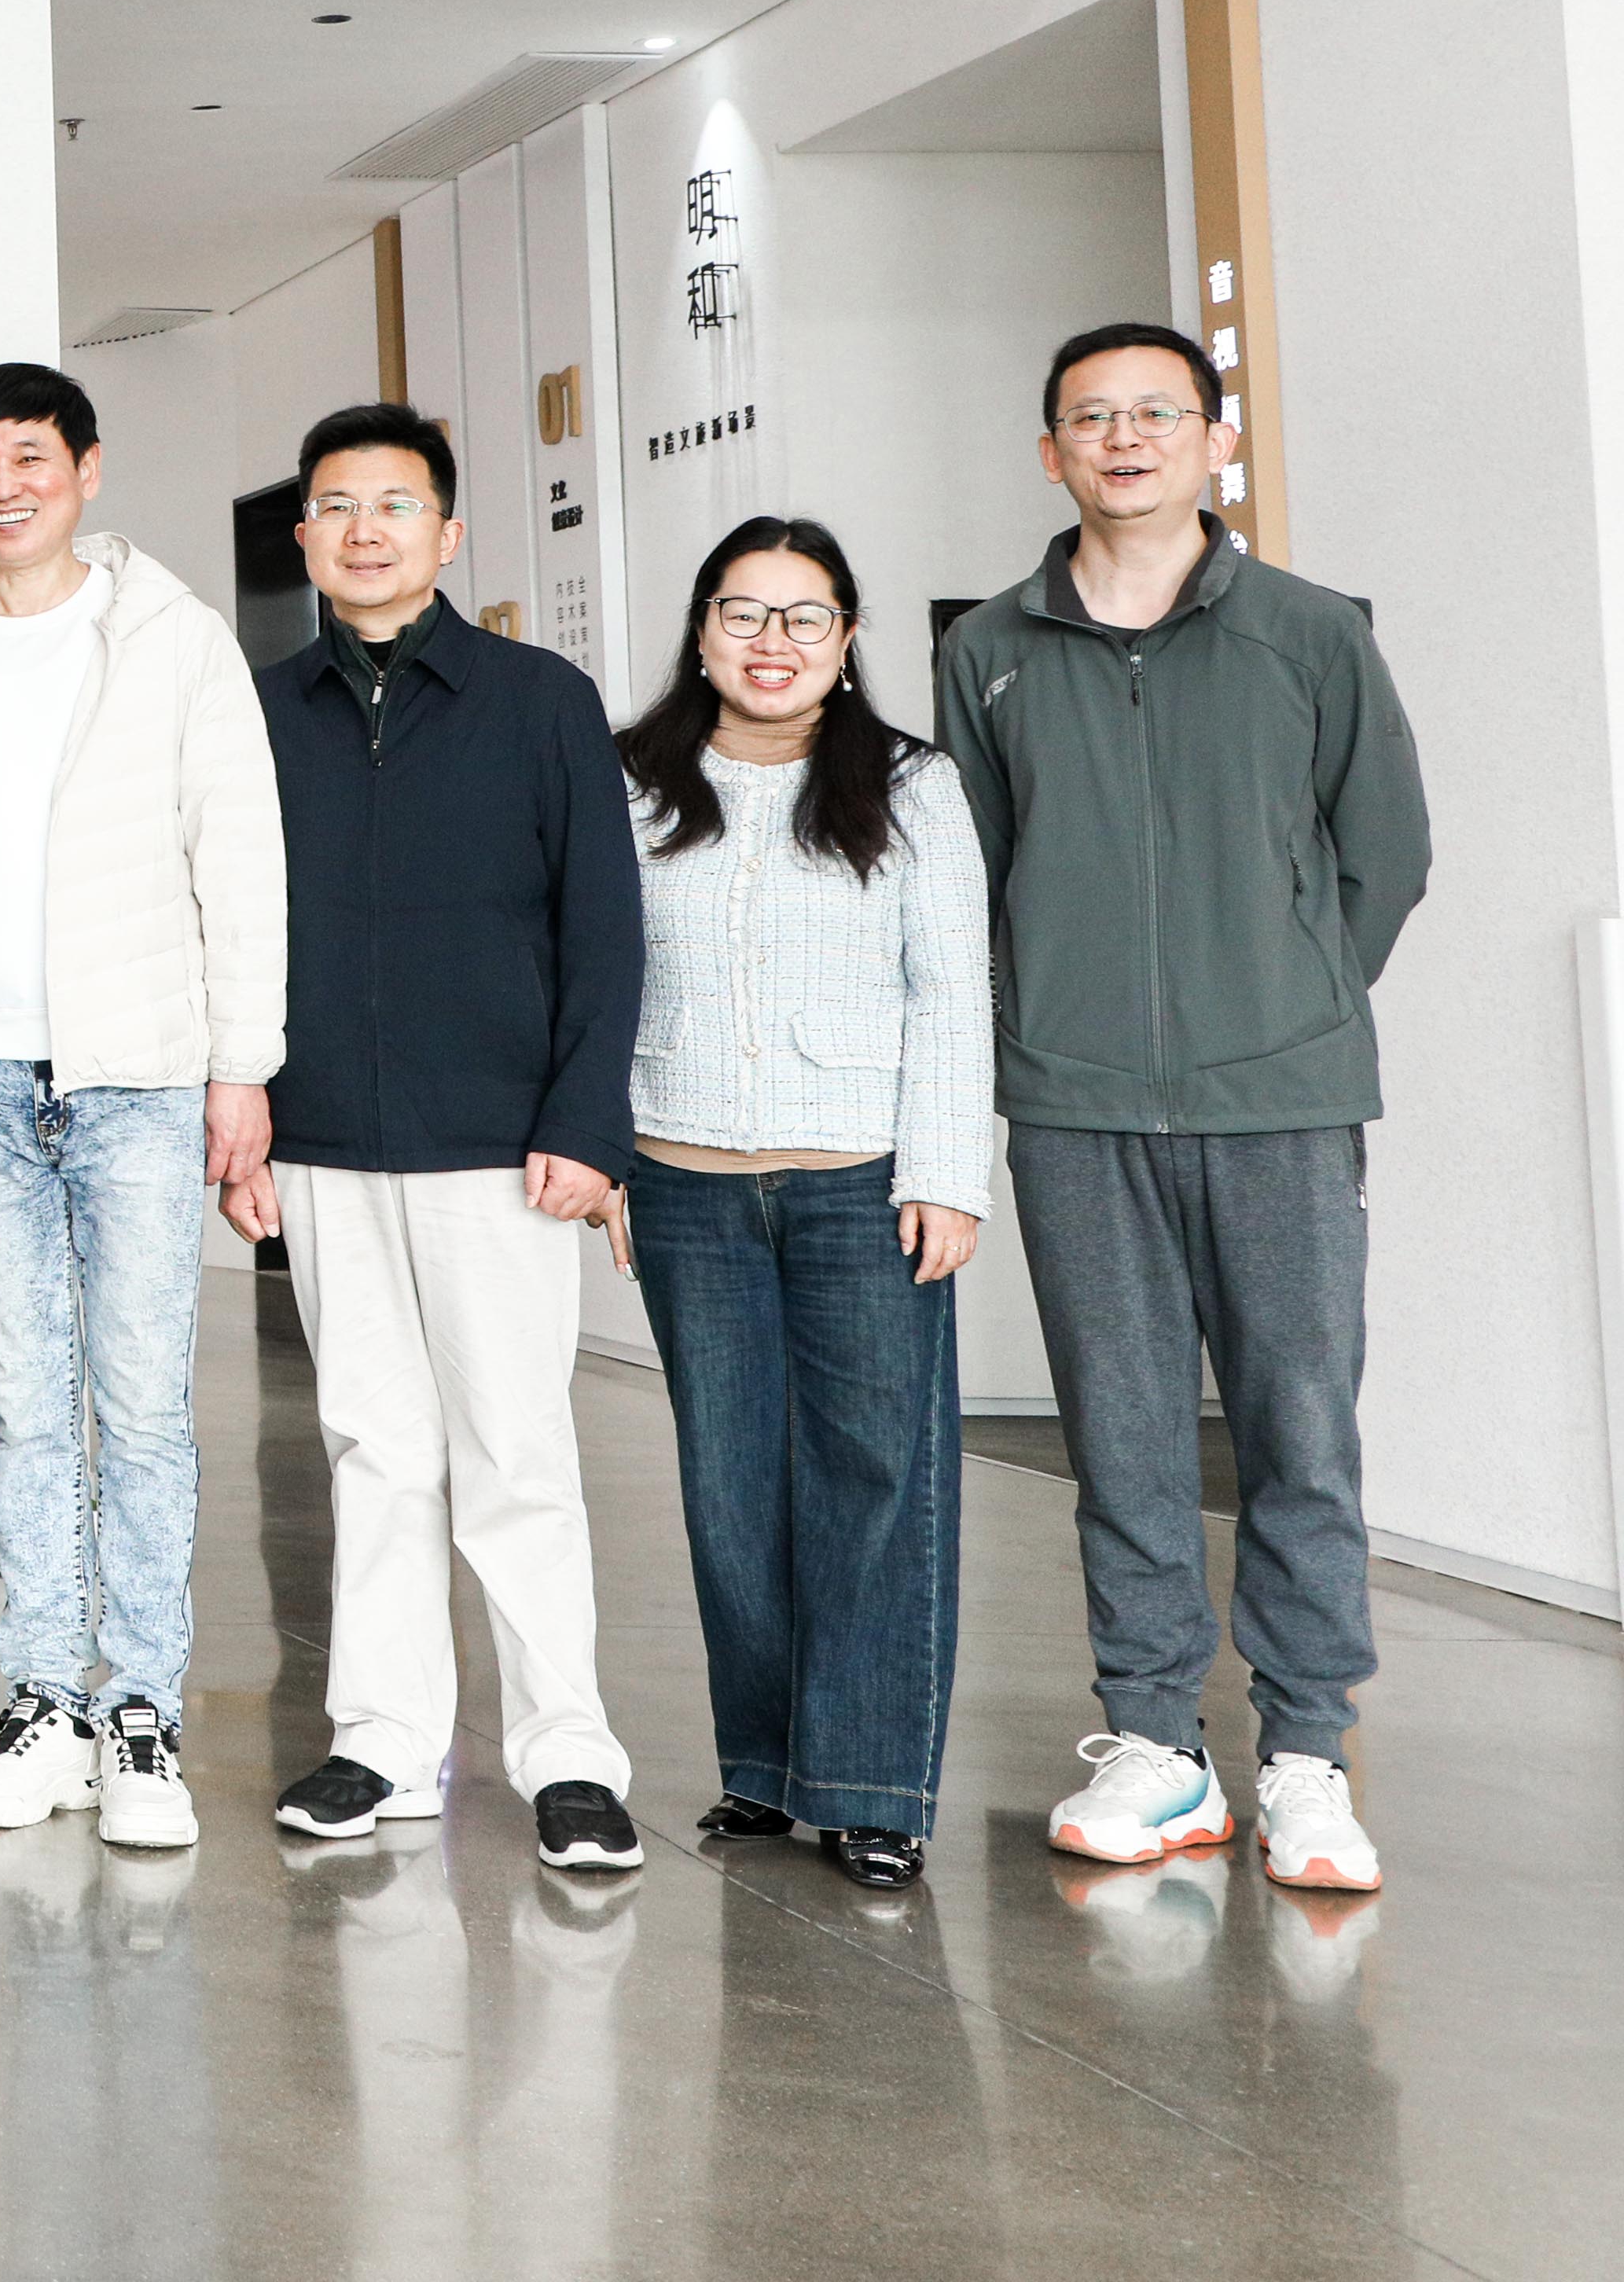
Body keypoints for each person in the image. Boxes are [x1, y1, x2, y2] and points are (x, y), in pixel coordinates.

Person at [942, 325, 1429, 1894]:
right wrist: (1043, 1025)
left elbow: (1386, 852)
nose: (1127, 437)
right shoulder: (990, 649)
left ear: (1215, 440)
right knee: (1125, 1433)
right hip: (1075, 1106)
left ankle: (1307, 1752)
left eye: (1159, 411)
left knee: (1301, 1425)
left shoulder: (1309, 631)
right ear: (1052, 452)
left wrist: (1285, 1001)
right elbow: (970, 875)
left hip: (1281, 1101)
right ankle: (1158, 1740)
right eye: (1093, 416)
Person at [0, 362, 281, 1856]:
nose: (4, 485)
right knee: (25, 1410)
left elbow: (241, 855)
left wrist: (243, 1063)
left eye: (30, 457)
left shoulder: (171, 637)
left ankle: (142, 1716)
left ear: (86, 471)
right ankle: (45, 1703)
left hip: (140, 1078)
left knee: (142, 1408)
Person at [252, 403, 649, 1872]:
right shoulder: (258, 711)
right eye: (337, 507)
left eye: (396, 506)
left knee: (515, 1454)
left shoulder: (539, 701)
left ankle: (568, 1756)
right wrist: (244, 1117)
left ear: (449, 532)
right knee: (372, 1449)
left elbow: (604, 927)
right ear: (305, 536)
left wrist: (586, 1123)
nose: (365, 531)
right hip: (323, 1142)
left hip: (503, 1149)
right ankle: (383, 1740)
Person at [615, 515, 992, 1895]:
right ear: (702, 629)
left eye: (804, 617)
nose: (771, 643)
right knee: (731, 1486)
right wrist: (605, 1154)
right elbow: (592, 977)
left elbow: (953, 987)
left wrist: (947, 1172)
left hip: (860, 1184)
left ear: (845, 639)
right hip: (684, 1182)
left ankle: (873, 1784)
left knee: (877, 1484)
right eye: (743, 613)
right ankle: (767, 1769)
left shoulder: (911, 785)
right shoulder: (631, 781)